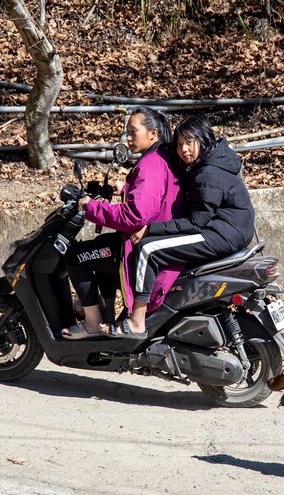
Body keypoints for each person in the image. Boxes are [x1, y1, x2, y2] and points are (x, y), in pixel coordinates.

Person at [109, 116, 255, 339]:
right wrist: (127, 188)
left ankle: (137, 321)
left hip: (221, 234)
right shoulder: (212, 162)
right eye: (178, 144)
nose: (183, 149)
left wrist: (150, 228)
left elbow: (196, 222)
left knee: (148, 250)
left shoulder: (207, 174)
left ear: (203, 139)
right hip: (229, 229)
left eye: (189, 142)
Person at [62, 107, 185, 339]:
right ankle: (107, 317)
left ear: (153, 133)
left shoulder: (151, 165)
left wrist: (90, 207)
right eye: (126, 132)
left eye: (133, 131)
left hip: (140, 245)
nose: (128, 138)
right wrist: (127, 188)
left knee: (76, 255)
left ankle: (92, 323)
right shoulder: (161, 158)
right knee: (100, 246)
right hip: (150, 239)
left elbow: (134, 216)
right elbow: (155, 199)